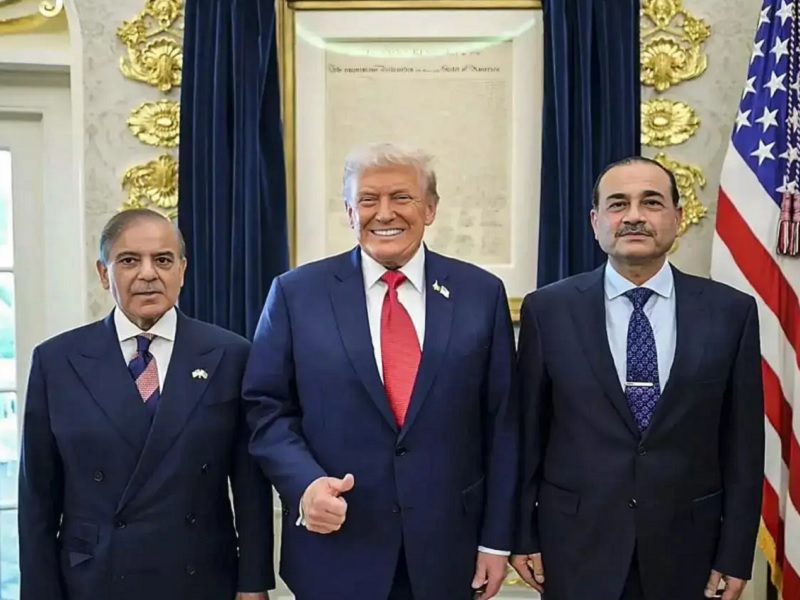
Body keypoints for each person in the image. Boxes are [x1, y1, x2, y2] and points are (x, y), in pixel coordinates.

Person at [243, 143, 518, 600]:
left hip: (449, 550)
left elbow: (503, 422)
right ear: (350, 213)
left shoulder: (481, 294)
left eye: (402, 197)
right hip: (336, 550)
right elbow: (264, 409)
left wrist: (496, 540)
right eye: (368, 200)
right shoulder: (296, 294)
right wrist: (304, 484)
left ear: (430, 209)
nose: (384, 213)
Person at [511, 156, 765, 600]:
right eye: (617, 204)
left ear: (677, 217)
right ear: (595, 222)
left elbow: (743, 446)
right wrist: (522, 535)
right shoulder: (547, 310)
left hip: (689, 551)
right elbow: (527, 435)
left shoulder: (730, 313)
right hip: (574, 547)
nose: (633, 216)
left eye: (651, 202)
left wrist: (736, 552)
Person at [18, 209, 274, 600]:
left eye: (163, 260)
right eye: (129, 260)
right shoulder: (56, 361)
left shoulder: (231, 355)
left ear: (182, 271)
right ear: (104, 273)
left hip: (201, 577)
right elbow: (37, 496)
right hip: (94, 579)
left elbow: (250, 485)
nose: (148, 273)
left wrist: (253, 584)